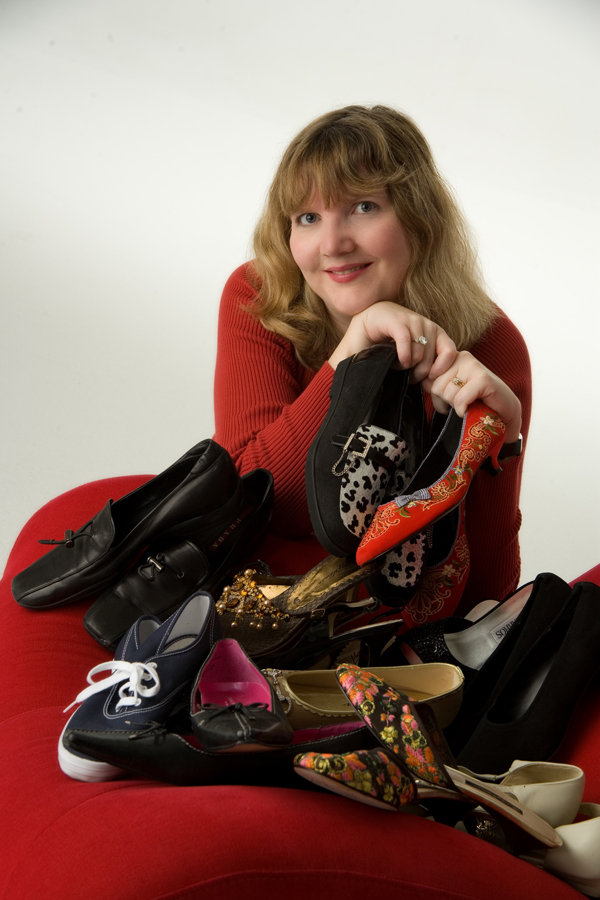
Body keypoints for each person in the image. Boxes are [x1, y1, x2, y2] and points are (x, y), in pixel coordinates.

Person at [213, 105, 530, 617]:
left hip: (385, 626)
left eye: (363, 207)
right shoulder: (260, 297)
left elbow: (485, 600)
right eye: (308, 218)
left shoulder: (491, 343)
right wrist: (352, 356)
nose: (332, 244)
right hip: (253, 604)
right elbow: (248, 509)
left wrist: (503, 442)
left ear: (420, 218)